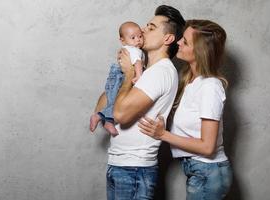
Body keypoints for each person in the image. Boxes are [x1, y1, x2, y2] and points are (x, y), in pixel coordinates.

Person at [91, 5, 185, 200]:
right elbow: (101, 107)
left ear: (168, 39)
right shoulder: (146, 71)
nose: (142, 30)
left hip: (134, 169)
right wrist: (120, 75)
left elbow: (120, 115)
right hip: (120, 164)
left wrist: (129, 76)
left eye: (151, 28)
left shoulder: (161, 72)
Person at [138, 19, 233, 199]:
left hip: (208, 172)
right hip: (199, 170)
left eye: (185, 42)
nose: (179, 42)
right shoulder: (191, 81)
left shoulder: (210, 87)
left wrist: (162, 134)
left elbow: (207, 147)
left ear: (200, 52)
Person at [89, 21, 145, 136]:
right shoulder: (135, 50)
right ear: (122, 40)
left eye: (140, 36)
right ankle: (102, 118)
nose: (138, 40)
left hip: (115, 74)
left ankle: (104, 119)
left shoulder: (126, 49)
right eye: (133, 37)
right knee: (115, 99)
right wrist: (139, 75)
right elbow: (137, 63)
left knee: (113, 99)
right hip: (120, 75)